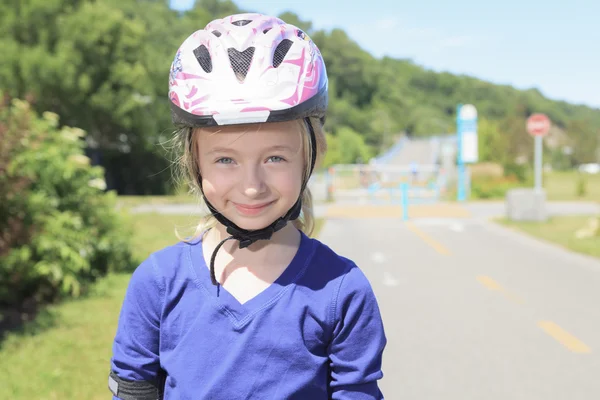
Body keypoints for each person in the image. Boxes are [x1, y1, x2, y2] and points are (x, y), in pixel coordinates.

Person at [108, 12, 387, 400]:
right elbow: (133, 389)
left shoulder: (342, 292)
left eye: (275, 158)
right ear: (194, 163)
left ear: (311, 156)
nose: (252, 187)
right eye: (226, 160)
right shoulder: (157, 284)